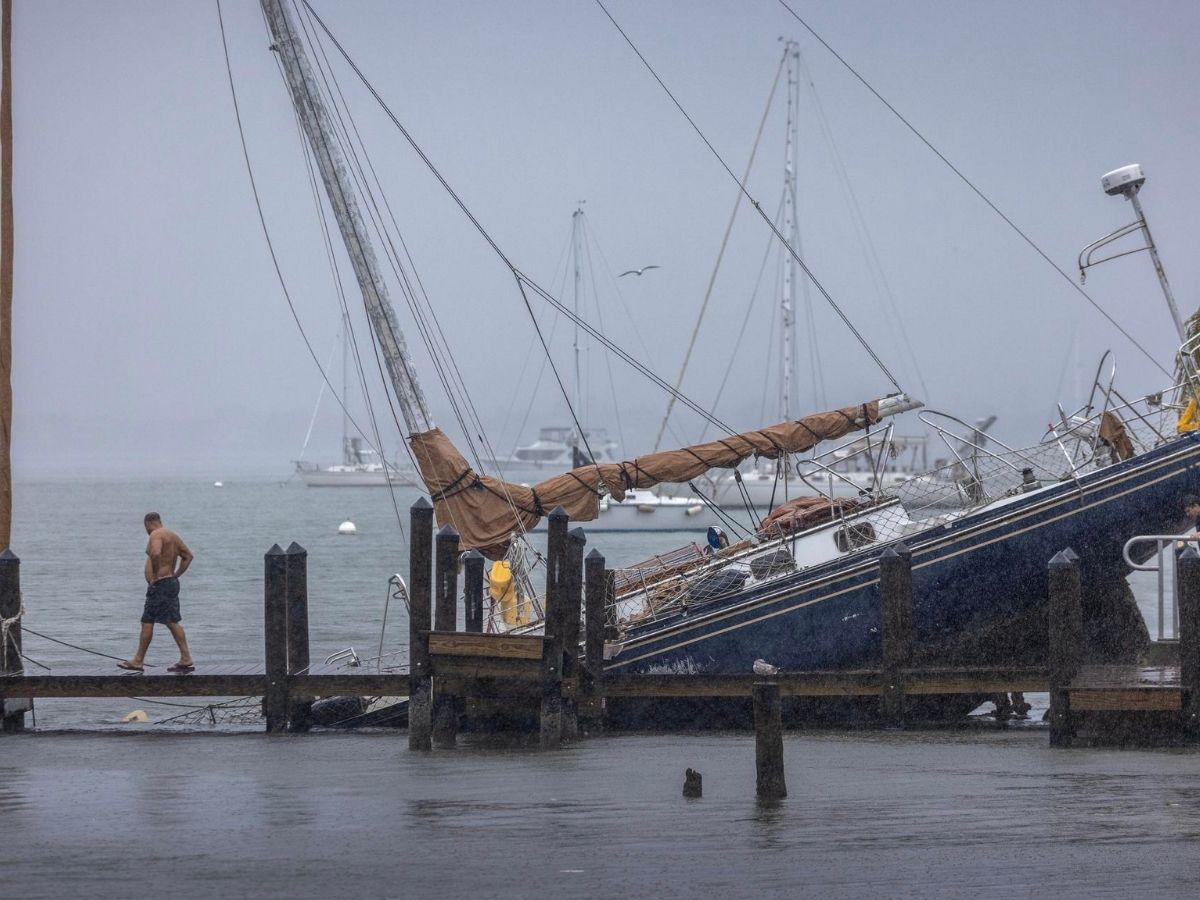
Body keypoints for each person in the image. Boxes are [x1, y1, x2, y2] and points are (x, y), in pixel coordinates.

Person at [119, 512, 195, 673]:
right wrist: (176, 574)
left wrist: (154, 576)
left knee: (158, 621)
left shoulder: (156, 534)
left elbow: (155, 553)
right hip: (170, 583)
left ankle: (141, 660)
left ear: (148, 523)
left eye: (146, 528)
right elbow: (188, 556)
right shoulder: (173, 535)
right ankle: (182, 657)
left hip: (160, 585)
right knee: (161, 620)